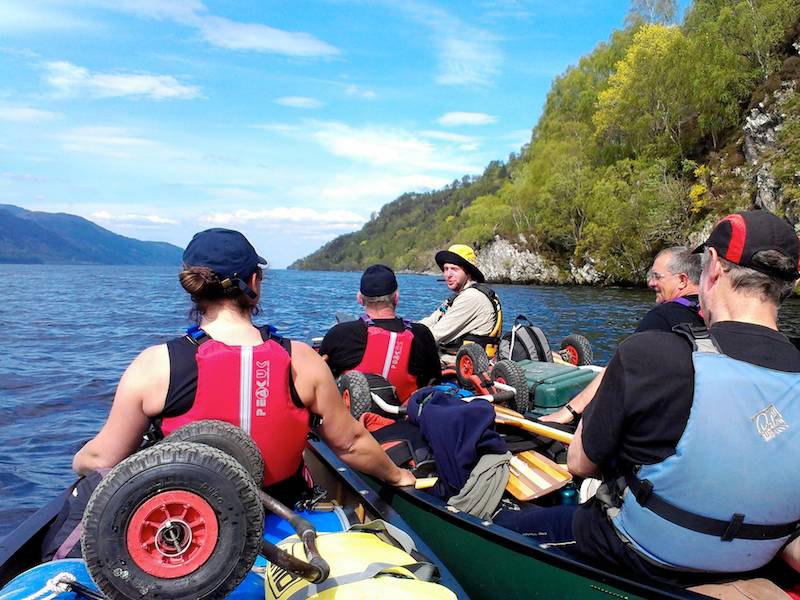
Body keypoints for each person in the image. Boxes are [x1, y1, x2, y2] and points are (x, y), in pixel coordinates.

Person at [503, 211, 800, 583]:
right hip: (754, 559)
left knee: (504, 525)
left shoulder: (650, 354)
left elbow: (579, 464)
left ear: (713, 268)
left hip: (640, 553)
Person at [73, 229, 415, 495]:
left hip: (195, 534)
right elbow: (352, 443)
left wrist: (79, 461)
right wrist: (398, 475)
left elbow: (102, 460)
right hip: (285, 514)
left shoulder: (155, 365)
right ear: (254, 282)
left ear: (193, 289)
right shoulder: (302, 360)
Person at [542, 245, 704, 424]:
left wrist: (570, 410)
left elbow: (618, 367)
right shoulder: (711, 313)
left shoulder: (662, 317)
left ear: (682, 280)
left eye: (657, 277)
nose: (651, 283)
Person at [319, 264, 440, 402]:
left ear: (360, 299)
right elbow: (434, 381)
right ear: (396, 298)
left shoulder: (340, 334)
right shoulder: (421, 333)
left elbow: (321, 380)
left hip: (354, 420)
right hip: (404, 417)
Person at [420, 244, 502, 359]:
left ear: (468, 272)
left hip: (466, 364)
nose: (448, 275)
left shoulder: (472, 297)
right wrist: (405, 328)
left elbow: (435, 335)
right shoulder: (460, 296)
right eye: (445, 269)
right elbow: (432, 320)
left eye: (454, 269)